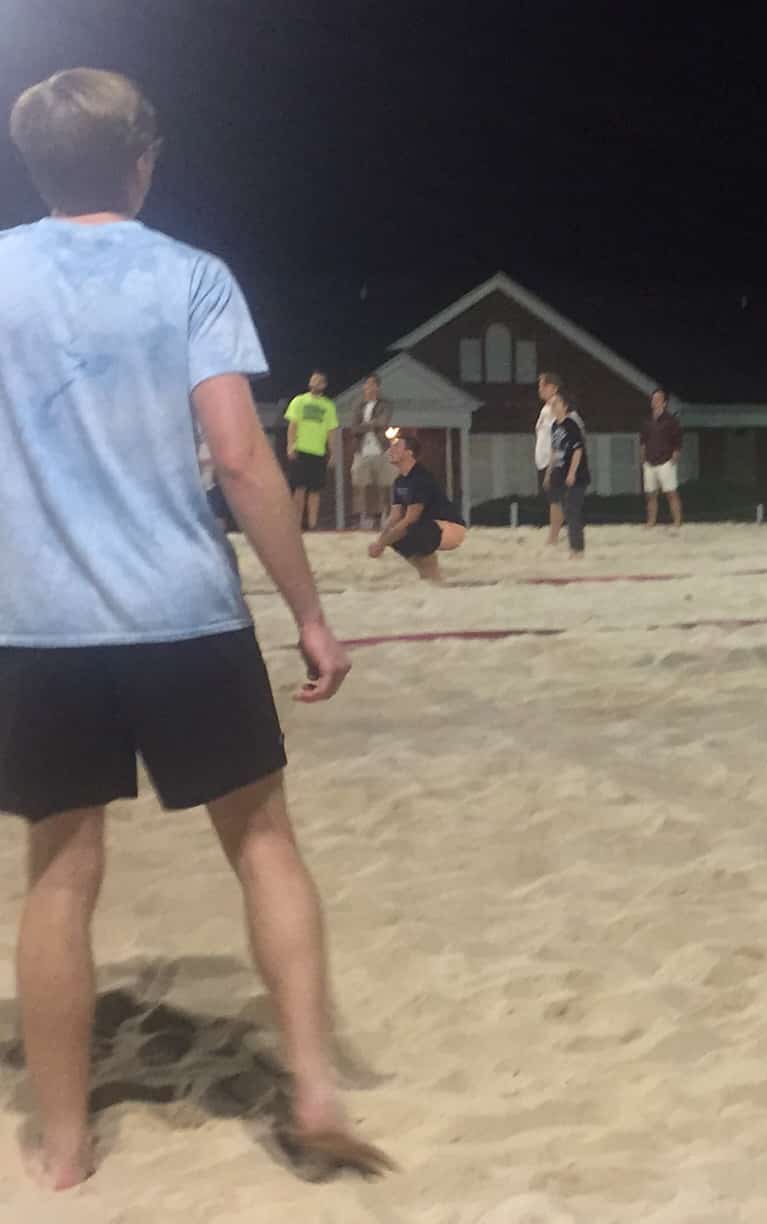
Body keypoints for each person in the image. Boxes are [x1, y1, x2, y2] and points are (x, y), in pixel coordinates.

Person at [0, 68, 391, 1187]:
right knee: (263, 843)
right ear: (142, 160)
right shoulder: (191, 278)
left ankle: (67, 1143)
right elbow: (238, 456)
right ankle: (313, 1084)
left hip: (39, 627)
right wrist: (311, 613)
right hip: (182, 613)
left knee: (59, 876)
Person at [368, 434, 467, 581]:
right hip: (428, 527)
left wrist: (381, 544)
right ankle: (429, 576)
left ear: (409, 453)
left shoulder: (420, 478)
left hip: (451, 528)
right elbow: (394, 516)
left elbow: (410, 519)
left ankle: (433, 576)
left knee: (410, 529)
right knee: (396, 537)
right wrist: (380, 541)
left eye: (396, 446)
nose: (390, 450)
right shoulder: (400, 481)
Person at [285, 370, 338, 531]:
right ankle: (296, 526)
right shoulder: (299, 401)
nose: (316, 382)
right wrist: (290, 445)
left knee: (315, 491)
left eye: (319, 381)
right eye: (313, 379)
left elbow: (331, 430)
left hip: (318, 453)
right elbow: (292, 425)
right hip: (301, 450)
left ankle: (312, 525)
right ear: (310, 382)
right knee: (299, 489)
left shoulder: (329, 405)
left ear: (324, 385)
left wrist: (333, 452)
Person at [346, 372, 393, 529]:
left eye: (373, 384)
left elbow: (383, 422)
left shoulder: (385, 404)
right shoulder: (357, 405)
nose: (369, 387)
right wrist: (371, 424)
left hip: (381, 450)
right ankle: (363, 518)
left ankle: (383, 517)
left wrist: (365, 425)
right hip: (362, 451)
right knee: (361, 486)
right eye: (367, 384)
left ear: (378, 387)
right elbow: (354, 429)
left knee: (383, 485)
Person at [549, 393, 590, 558]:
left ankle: (577, 549)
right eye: (552, 404)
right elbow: (554, 449)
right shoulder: (554, 426)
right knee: (567, 510)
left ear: (565, 406)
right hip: (561, 473)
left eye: (557, 403)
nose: (553, 406)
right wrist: (550, 471)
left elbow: (577, 450)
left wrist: (572, 473)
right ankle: (574, 547)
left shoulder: (571, 425)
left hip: (577, 475)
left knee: (572, 510)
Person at [640, 387, 684, 528]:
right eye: (653, 399)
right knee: (650, 494)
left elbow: (677, 441)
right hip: (649, 462)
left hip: (666, 462)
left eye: (658, 399)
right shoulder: (647, 421)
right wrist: (642, 459)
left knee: (671, 493)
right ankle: (651, 521)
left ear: (664, 403)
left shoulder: (671, 420)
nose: (655, 401)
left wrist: (675, 456)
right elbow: (643, 441)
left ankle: (677, 521)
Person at [533, 372, 564, 540]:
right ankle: (554, 534)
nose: (540, 389)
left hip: (552, 461)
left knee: (555, 499)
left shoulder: (556, 406)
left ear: (553, 387)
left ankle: (553, 536)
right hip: (542, 461)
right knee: (552, 498)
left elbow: (557, 438)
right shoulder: (545, 408)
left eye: (542, 386)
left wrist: (551, 466)